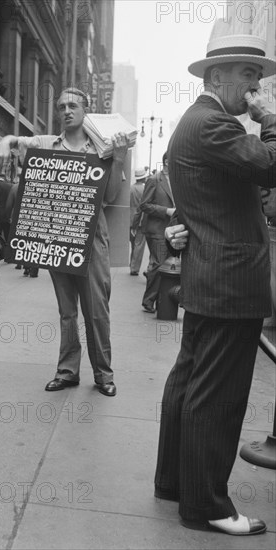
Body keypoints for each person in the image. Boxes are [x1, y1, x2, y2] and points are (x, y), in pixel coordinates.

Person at [154, 34, 276, 536]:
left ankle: (175, 482)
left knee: (190, 383)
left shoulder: (199, 122)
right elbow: (270, 167)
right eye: (246, 74)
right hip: (229, 281)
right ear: (215, 78)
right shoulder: (213, 123)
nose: (255, 85)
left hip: (212, 276)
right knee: (219, 396)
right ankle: (207, 505)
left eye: (258, 76)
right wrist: (270, 119)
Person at [0, 87, 129, 396]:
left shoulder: (102, 148)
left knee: (97, 310)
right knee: (67, 310)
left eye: (73, 106)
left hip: (92, 241)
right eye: (61, 106)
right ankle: (67, 371)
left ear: (86, 111)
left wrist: (118, 160)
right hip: (58, 238)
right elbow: (16, 141)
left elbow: (108, 198)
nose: (67, 110)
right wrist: (4, 140)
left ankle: (103, 374)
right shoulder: (45, 144)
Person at [138, 152, 175, 312]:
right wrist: (166, 211)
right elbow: (144, 205)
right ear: (167, 161)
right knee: (158, 264)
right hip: (157, 230)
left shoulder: (175, 180)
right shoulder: (154, 180)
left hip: (172, 230)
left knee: (164, 264)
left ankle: (159, 300)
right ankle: (149, 300)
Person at [129, 169, 147, 276]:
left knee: (133, 244)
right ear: (143, 178)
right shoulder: (145, 189)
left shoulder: (130, 188)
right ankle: (134, 268)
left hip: (129, 219)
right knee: (139, 245)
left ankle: (131, 264)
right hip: (140, 220)